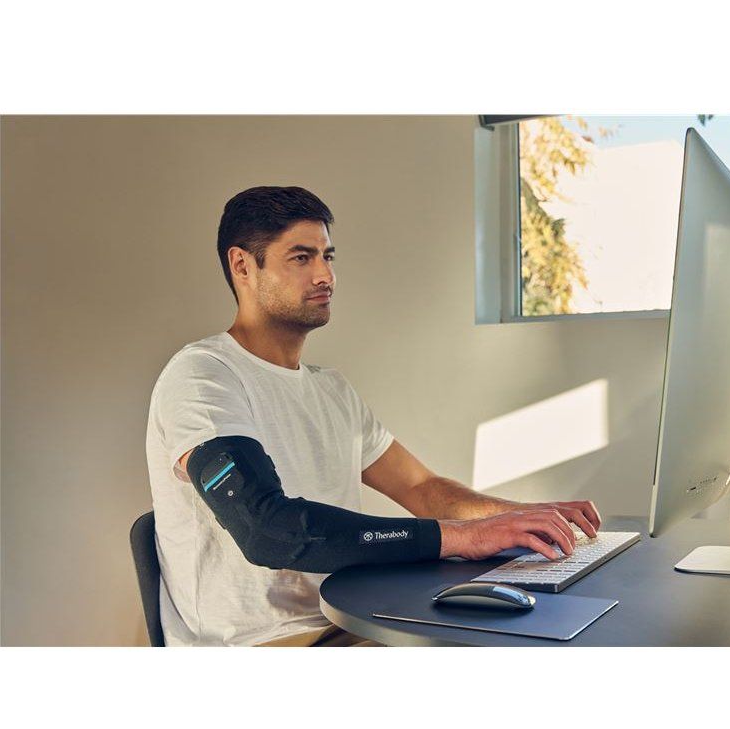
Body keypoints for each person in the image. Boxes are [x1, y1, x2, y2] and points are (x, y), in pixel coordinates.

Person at [145, 186, 603, 647]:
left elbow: (420, 488)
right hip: (261, 643)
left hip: (350, 623)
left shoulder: (331, 389)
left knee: (535, 635)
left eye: (328, 256)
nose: (325, 276)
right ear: (243, 266)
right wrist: (460, 537)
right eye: (301, 258)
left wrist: (525, 517)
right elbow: (266, 531)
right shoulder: (203, 377)